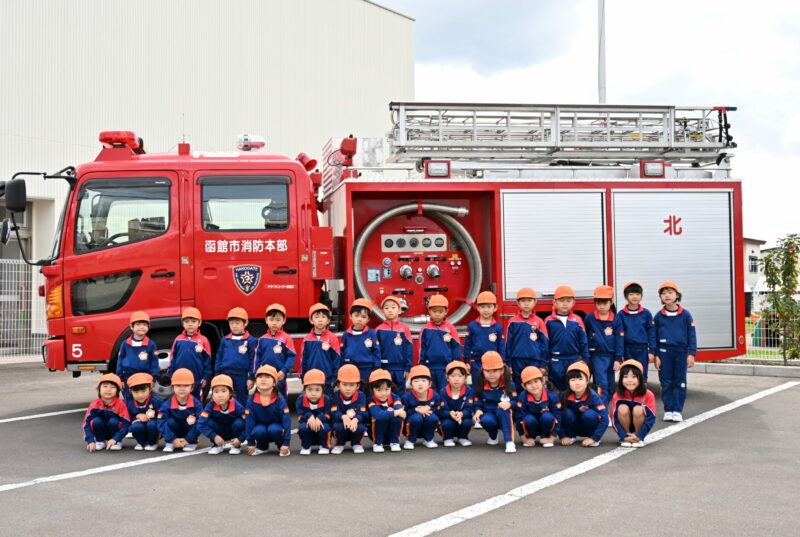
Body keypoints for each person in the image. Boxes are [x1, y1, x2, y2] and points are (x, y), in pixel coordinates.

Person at [654, 281, 697, 423]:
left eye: (670, 292)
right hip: (664, 352)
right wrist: (656, 355)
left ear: (677, 295)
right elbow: (653, 337)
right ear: (660, 297)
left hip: (681, 352)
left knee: (680, 381)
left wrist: (691, 354)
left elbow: (692, 335)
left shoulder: (685, 315)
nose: (667, 296)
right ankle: (668, 410)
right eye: (664, 293)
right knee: (666, 381)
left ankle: (677, 410)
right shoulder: (658, 316)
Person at [583, 285, 624, 409]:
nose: (601, 306)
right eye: (598, 303)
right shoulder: (590, 318)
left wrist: (618, 359)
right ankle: (603, 411)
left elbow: (619, 339)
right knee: (602, 384)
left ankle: (606, 408)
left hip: (611, 357)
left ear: (611, 302)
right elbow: (584, 336)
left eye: (605, 303)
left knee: (610, 386)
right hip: (597, 356)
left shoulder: (616, 319)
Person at [545, 286, 590, 392]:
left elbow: (583, 340)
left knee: (572, 388)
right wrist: (545, 361)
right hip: (555, 360)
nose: (565, 304)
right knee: (554, 388)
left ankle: (570, 408)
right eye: (561, 301)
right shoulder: (548, 321)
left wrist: (586, 359)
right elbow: (545, 343)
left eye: (568, 301)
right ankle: (557, 408)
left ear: (574, 302)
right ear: (554, 302)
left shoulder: (577, 320)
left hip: (573, 359)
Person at [505, 287, 549, 392]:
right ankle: (521, 407)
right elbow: (508, 343)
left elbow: (544, 344)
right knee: (519, 385)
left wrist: (543, 364)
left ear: (535, 302)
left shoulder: (539, 322)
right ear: (518, 303)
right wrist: (509, 364)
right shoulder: (512, 321)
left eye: (529, 300)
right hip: (517, 361)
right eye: (523, 301)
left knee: (534, 386)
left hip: (534, 360)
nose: (526, 304)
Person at [473, 351, 517, 453]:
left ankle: (509, 441)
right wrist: (478, 410)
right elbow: (478, 401)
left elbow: (517, 402)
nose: (491, 374)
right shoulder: (480, 385)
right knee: (486, 420)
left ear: (501, 370)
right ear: (483, 371)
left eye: (495, 370)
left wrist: (509, 404)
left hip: (505, 414)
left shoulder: (509, 384)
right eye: (488, 371)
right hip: (489, 412)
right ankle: (493, 436)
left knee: (504, 410)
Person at [245, 364, 291, 456]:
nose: (263, 379)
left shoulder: (280, 400)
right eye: (260, 377)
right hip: (261, 429)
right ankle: (262, 447)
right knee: (258, 430)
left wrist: (286, 443)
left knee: (274, 428)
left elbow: (286, 421)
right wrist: (250, 442)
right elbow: (249, 422)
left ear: (274, 383)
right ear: (256, 381)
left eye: (267, 377)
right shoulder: (251, 400)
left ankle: (281, 446)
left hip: (276, 429)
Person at [252, 303, 296, 398]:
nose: (274, 323)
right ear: (266, 320)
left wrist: (284, 371)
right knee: (263, 398)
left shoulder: (286, 338)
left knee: (281, 399)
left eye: (278, 320)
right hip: (265, 375)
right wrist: (256, 372)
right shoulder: (262, 339)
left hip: (279, 375)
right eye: (271, 320)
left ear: (284, 321)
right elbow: (257, 357)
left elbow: (291, 356)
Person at [168, 307, 212, 400]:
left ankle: (197, 414)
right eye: (187, 321)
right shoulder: (178, 339)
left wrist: (205, 376)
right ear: (183, 323)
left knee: (196, 399)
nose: (190, 324)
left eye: (193, 321)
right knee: (180, 397)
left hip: (197, 376)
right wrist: (171, 373)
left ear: (199, 323)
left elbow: (207, 360)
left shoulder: (203, 340)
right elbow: (173, 357)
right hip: (180, 376)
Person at [560, 362, 608, 447]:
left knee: (589, 414)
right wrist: (563, 436)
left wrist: (595, 437)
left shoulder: (594, 397)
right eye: (573, 380)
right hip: (575, 426)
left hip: (590, 426)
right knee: (566, 413)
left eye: (580, 379)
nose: (577, 383)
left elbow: (604, 418)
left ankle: (592, 438)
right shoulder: (564, 396)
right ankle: (571, 436)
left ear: (587, 380)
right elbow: (557, 417)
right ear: (568, 382)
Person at [215, 307, 257, 403]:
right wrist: (217, 374)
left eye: (237, 323)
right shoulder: (225, 340)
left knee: (241, 398)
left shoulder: (250, 341)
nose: (234, 326)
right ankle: (228, 416)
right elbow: (219, 357)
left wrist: (251, 377)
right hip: (225, 374)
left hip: (241, 375)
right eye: (231, 323)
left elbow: (253, 360)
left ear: (245, 323)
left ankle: (242, 417)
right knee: (226, 398)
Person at [463, 291, 505, 388]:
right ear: (477, 308)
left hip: (493, 365)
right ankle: (477, 403)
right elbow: (467, 345)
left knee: (493, 386)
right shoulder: (472, 326)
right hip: (477, 362)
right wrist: (466, 361)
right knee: (477, 387)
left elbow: (501, 345)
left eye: (489, 307)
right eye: (482, 307)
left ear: (495, 308)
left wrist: (502, 361)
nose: (485, 310)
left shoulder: (498, 327)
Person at [419, 295, 461, 389]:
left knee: (445, 391)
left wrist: (455, 365)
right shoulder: (425, 329)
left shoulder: (451, 329)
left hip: (446, 368)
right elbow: (422, 348)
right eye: (434, 311)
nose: (437, 314)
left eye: (440, 311)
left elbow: (456, 347)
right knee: (431, 392)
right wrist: (422, 365)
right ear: (429, 311)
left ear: (446, 311)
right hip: (429, 367)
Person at [197, 374, 246, 455]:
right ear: (212, 394)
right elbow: (200, 423)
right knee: (209, 422)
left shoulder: (237, 406)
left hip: (233, 431)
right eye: (216, 391)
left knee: (239, 423)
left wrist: (240, 439)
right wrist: (213, 436)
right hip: (219, 432)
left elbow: (248, 423)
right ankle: (217, 445)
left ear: (230, 393)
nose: (220, 395)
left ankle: (236, 446)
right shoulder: (210, 405)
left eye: (223, 391)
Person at [611, 360, 656, 447]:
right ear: (621, 379)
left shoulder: (648, 395)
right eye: (626, 377)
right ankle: (627, 437)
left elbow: (651, 418)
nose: (630, 380)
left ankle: (636, 437)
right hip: (624, 427)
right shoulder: (617, 395)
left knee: (638, 409)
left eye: (634, 376)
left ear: (640, 378)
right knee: (622, 408)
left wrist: (640, 436)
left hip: (640, 426)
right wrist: (623, 436)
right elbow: (614, 418)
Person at [116, 311, 159, 400]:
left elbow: (154, 362)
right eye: (138, 324)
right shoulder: (125, 344)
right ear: (132, 327)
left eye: (144, 324)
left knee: (145, 399)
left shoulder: (151, 344)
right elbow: (120, 360)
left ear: (148, 327)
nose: (141, 327)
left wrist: (153, 378)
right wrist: (120, 378)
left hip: (145, 377)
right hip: (128, 377)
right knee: (129, 400)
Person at [157, 368, 202, 452]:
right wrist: (172, 439)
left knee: (192, 421)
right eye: (178, 385)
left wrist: (188, 439)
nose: (182, 388)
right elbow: (161, 422)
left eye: (186, 385)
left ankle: (191, 442)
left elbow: (201, 423)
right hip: (173, 436)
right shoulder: (167, 404)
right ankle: (170, 443)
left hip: (189, 435)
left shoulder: (197, 404)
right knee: (170, 421)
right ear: (172, 388)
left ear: (192, 387)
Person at [619, 282, 657, 382]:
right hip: (627, 349)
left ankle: (642, 394)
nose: (634, 297)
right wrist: (620, 353)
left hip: (642, 349)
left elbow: (651, 333)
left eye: (637, 294)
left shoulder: (646, 313)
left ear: (642, 296)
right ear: (625, 296)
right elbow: (619, 335)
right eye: (631, 294)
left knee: (642, 373)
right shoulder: (621, 315)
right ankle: (628, 394)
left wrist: (652, 351)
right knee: (628, 373)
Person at [375, 296, 413, 393]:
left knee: (400, 393)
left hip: (400, 369)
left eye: (393, 307)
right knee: (385, 392)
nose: (390, 310)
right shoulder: (379, 329)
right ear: (382, 311)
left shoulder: (405, 328)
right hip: (384, 369)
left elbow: (409, 349)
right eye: (386, 308)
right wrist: (378, 367)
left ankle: (399, 408)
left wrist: (408, 367)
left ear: (399, 310)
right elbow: (376, 351)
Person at [514, 366, 560, 448]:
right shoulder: (522, 396)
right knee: (528, 419)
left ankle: (545, 437)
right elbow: (519, 417)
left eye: (536, 381)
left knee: (547, 416)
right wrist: (524, 438)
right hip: (531, 425)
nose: (533, 385)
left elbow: (558, 417)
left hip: (546, 425)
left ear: (543, 381)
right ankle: (530, 437)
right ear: (524, 386)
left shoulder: (552, 396)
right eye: (529, 383)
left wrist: (552, 437)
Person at [83, 373, 130, 452]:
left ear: (118, 391)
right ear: (98, 389)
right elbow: (86, 423)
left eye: (112, 387)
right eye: (105, 386)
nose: (108, 389)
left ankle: (116, 442)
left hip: (115, 434)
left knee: (113, 421)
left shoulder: (121, 404)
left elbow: (127, 424)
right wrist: (90, 441)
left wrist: (116, 438)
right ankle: (100, 441)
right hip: (101, 431)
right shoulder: (94, 404)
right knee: (96, 420)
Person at [301, 303, 340, 392]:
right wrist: (303, 376)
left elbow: (337, 359)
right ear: (311, 320)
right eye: (317, 317)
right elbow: (303, 359)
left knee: (328, 403)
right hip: (311, 379)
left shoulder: (332, 338)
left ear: (328, 320)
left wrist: (334, 377)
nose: (320, 320)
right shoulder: (307, 339)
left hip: (327, 379)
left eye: (323, 317)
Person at [340, 298, 381, 383]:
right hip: (350, 368)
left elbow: (376, 351)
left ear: (368, 319)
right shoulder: (346, 334)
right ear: (350, 316)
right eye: (356, 315)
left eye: (363, 317)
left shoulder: (371, 333)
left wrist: (376, 368)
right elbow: (342, 352)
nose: (359, 319)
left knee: (366, 390)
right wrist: (342, 367)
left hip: (367, 368)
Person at [330, 364, 368, 454]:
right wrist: (343, 416)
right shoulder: (335, 395)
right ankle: (339, 444)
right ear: (338, 384)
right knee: (337, 426)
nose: (348, 388)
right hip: (341, 422)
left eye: (351, 385)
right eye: (344, 384)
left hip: (355, 423)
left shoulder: (361, 395)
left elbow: (363, 412)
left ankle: (357, 443)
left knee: (360, 427)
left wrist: (356, 419)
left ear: (357, 386)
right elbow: (334, 412)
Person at [402, 365, 442, 449]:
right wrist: (415, 410)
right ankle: (410, 440)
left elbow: (439, 410)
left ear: (429, 384)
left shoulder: (435, 396)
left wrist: (430, 409)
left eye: (423, 381)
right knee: (416, 417)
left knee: (433, 418)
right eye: (416, 381)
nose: (420, 384)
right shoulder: (407, 397)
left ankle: (429, 439)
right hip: (412, 424)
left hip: (428, 424)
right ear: (411, 384)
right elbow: (403, 413)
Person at [366, 369, 406, 453]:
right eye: (379, 390)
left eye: (387, 389)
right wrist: (395, 412)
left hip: (390, 431)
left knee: (398, 418)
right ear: (372, 389)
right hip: (376, 433)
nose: (383, 393)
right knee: (380, 419)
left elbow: (400, 409)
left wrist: (398, 412)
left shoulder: (395, 397)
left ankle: (394, 442)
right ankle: (377, 443)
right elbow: (378, 414)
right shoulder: (371, 401)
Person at [437, 360, 475, 447]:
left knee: (467, 422)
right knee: (447, 423)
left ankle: (463, 437)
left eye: (460, 376)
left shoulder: (469, 391)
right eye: (453, 376)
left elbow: (469, 408)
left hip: (462, 418)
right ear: (447, 378)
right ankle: (447, 438)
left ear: (465, 378)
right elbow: (442, 410)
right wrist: (449, 413)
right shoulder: (443, 391)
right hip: (448, 418)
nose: (456, 379)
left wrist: (462, 413)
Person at [296, 369, 333, 455]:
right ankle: (306, 446)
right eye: (309, 389)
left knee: (326, 428)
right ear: (304, 389)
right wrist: (309, 416)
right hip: (307, 423)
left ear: (323, 390)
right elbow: (300, 417)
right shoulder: (300, 399)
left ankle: (324, 446)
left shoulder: (326, 399)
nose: (313, 393)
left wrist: (320, 418)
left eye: (317, 390)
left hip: (322, 423)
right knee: (302, 428)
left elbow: (329, 417)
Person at [125, 372, 163, 451]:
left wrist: (151, 418)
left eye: (143, 391)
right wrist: (137, 417)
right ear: (130, 391)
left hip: (154, 426)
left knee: (151, 424)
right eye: (136, 392)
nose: (140, 395)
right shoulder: (130, 404)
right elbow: (128, 419)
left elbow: (162, 415)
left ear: (150, 388)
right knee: (136, 426)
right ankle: (141, 442)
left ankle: (152, 442)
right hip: (140, 426)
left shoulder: (156, 401)